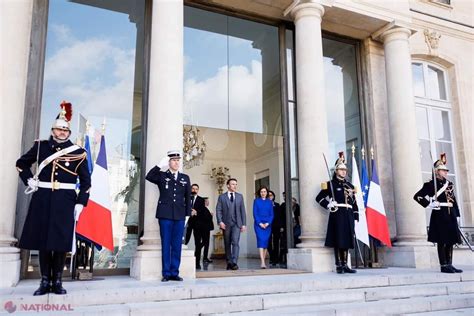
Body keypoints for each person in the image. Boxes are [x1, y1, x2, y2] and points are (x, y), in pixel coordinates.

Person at [16, 102, 91, 295]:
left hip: (65, 200)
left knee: (59, 242)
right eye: (60, 129)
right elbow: (21, 164)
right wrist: (28, 181)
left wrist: (81, 203)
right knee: (43, 242)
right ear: (53, 130)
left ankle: (57, 281)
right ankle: (44, 281)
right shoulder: (41, 147)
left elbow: (86, 182)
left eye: (66, 130)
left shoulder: (78, 152)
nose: (63, 132)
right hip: (42, 197)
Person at [145, 150, 191, 282]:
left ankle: (174, 272)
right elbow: (149, 176)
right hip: (165, 215)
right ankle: (166, 273)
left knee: (177, 245)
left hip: (180, 215)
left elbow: (188, 198)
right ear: (169, 162)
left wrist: (187, 214)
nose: (176, 163)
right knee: (166, 244)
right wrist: (160, 165)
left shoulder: (185, 178)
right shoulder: (161, 176)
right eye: (173, 160)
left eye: (178, 160)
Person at [413, 153, 462, 273]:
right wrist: (429, 204)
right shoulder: (430, 185)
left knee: (451, 240)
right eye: (442, 170)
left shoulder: (449, 184)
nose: (445, 172)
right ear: (436, 171)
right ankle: (443, 265)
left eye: (445, 171)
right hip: (440, 214)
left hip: (450, 214)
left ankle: (449, 264)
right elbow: (417, 196)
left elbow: (453, 199)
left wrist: (457, 214)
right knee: (442, 240)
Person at [316, 152, 359, 274]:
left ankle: (345, 264)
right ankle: (338, 265)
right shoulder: (330, 185)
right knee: (339, 239)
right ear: (336, 171)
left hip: (348, 214)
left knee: (347, 239)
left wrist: (356, 215)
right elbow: (319, 198)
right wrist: (328, 204)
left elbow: (354, 202)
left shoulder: (350, 185)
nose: (344, 172)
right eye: (341, 169)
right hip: (338, 214)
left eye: (345, 170)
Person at [216, 178, 246, 270]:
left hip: (237, 223)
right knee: (227, 243)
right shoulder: (222, 197)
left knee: (235, 242)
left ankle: (234, 262)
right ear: (228, 185)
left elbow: (242, 211)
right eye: (233, 184)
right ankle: (229, 262)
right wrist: (220, 221)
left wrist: (244, 224)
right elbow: (218, 210)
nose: (235, 186)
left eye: (236, 184)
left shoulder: (240, 196)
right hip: (226, 224)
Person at [189, 184, 214, 269]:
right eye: (193, 188)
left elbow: (202, 211)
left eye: (196, 189)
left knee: (198, 244)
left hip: (199, 225)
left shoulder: (201, 200)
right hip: (188, 224)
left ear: (198, 190)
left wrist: (196, 212)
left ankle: (197, 263)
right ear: (190, 189)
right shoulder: (186, 198)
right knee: (185, 242)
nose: (194, 190)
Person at [253, 186, 274, 269]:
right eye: (261, 192)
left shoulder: (269, 202)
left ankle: (263, 260)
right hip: (259, 225)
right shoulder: (256, 201)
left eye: (264, 191)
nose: (263, 193)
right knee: (261, 242)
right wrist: (260, 223)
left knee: (265, 244)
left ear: (267, 192)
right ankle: (262, 262)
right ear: (259, 193)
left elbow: (271, 214)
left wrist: (268, 223)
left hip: (268, 225)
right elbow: (255, 213)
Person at [268, 190, 286, 268]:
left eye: (271, 195)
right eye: (268, 195)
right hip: (267, 226)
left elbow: (280, 216)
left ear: (273, 196)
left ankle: (275, 259)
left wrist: (281, 226)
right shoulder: (264, 204)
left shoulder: (277, 205)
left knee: (276, 243)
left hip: (276, 225)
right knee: (268, 243)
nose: (270, 196)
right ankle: (272, 256)